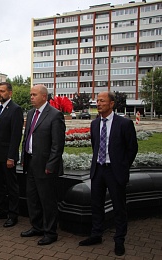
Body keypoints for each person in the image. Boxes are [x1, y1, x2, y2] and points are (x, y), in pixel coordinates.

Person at [79, 91, 138, 256]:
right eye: (97, 101)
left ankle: (119, 240)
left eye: (102, 101)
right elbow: (95, 145)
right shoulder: (95, 123)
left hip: (115, 171)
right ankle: (96, 234)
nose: (98, 104)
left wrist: (122, 166)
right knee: (96, 204)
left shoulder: (124, 124)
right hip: (98, 169)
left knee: (119, 207)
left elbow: (132, 148)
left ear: (111, 104)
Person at [20, 84, 65, 246]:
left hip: (45, 166)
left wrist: (51, 165)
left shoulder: (55, 115)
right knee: (32, 198)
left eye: (34, 95)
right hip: (31, 162)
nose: (31, 97)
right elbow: (27, 137)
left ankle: (50, 232)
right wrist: (24, 156)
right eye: (31, 95)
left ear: (44, 97)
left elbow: (57, 145)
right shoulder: (31, 113)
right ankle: (37, 227)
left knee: (47, 201)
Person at [0, 82, 24, 228]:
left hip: (7, 156)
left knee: (11, 186)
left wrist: (11, 157)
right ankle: (0, 210)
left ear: (10, 93)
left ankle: (13, 215)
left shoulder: (15, 110)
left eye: (2, 91)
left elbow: (15, 136)